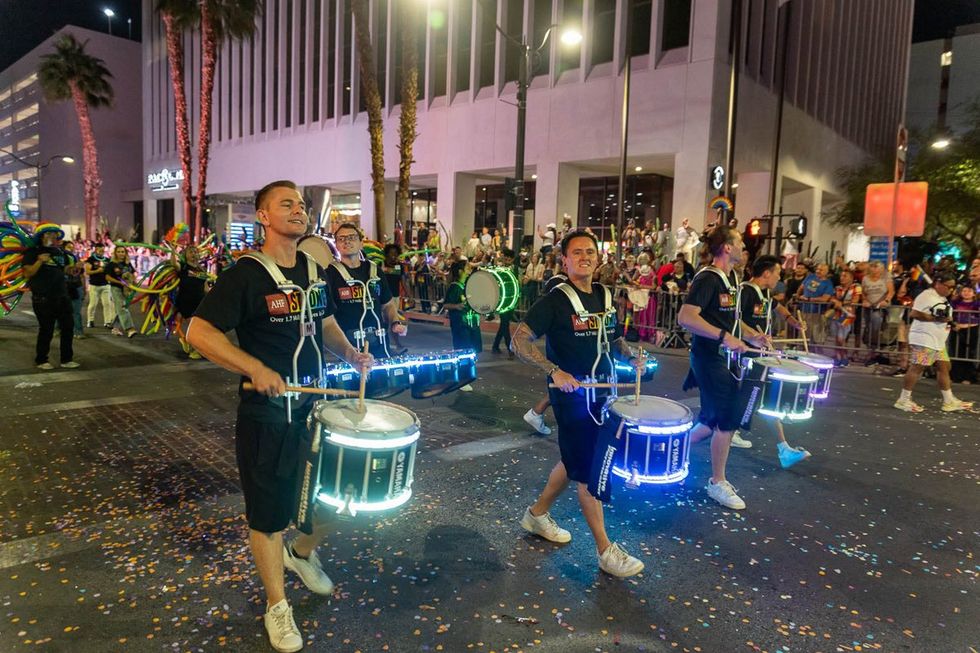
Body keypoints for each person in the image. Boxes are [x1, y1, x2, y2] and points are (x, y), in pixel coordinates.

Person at [187, 180, 374, 653]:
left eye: (301, 204)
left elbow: (326, 322)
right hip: (267, 414)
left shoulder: (315, 268)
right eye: (285, 204)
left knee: (337, 499)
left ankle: (302, 552)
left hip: (317, 410)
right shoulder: (245, 274)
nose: (298, 209)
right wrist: (253, 367)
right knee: (269, 515)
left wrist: (351, 354)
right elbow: (198, 331)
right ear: (263, 217)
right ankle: (277, 606)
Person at [511, 230, 648, 577]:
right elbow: (520, 341)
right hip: (573, 399)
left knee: (573, 459)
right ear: (565, 260)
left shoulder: (604, 294)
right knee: (589, 469)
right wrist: (554, 371)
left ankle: (537, 514)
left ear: (597, 258)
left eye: (590, 251)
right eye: (577, 252)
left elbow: (614, 337)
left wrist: (631, 356)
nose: (584, 257)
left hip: (605, 393)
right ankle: (606, 550)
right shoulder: (554, 300)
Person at [677, 226, 771, 509]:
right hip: (708, 357)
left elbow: (725, 321)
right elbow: (686, 317)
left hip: (720, 358)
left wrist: (749, 334)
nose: (745, 247)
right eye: (740, 242)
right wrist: (724, 337)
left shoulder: (731, 278)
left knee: (709, 419)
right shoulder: (708, 278)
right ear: (728, 248)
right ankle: (717, 482)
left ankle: (671, 451)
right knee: (728, 418)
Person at [738, 255, 810, 468]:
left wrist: (793, 322)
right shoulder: (745, 291)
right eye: (777, 273)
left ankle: (783, 448)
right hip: (746, 352)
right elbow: (735, 319)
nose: (779, 277)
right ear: (767, 273)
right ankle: (781, 448)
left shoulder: (765, 293)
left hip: (761, 353)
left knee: (762, 398)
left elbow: (779, 308)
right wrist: (753, 336)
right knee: (754, 396)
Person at [893, 272, 974, 413]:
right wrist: (934, 318)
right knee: (917, 367)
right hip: (925, 339)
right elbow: (914, 313)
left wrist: (949, 322)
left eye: (953, 287)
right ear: (938, 284)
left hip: (937, 340)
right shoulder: (926, 296)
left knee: (944, 367)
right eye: (949, 286)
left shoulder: (941, 298)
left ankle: (949, 401)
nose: (951, 290)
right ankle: (903, 399)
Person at [325, 223, 407, 359]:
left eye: (352, 237)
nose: (347, 241)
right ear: (336, 245)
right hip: (349, 350)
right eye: (341, 238)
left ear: (361, 243)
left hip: (379, 346)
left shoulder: (374, 271)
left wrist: (394, 322)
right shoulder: (330, 275)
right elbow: (327, 318)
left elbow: (387, 304)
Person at [22, 224, 79, 370]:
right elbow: (28, 273)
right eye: (49, 234)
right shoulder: (33, 252)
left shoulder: (59, 252)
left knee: (68, 328)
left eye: (55, 234)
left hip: (62, 296)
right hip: (43, 298)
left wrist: (73, 269)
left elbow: (64, 269)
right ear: (41, 236)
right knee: (46, 329)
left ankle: (66, 359)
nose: (52, 237)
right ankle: (41, 360)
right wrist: (40, 261)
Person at [442, 260, 480, 392]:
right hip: (460, 325)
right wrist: (457, 306)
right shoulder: (455, 286)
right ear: (460, 271)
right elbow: (446, 304)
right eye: (467, 268)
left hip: (470, 324)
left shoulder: (465, 285)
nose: (470, 269)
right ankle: (462, 379)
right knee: (463, 351)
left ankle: (466, 376)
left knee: (471, 350)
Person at [174, 245, 211, 359]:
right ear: (185, 254)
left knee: (197, 326)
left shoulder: (202, 269)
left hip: (199, 300)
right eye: (191, 252)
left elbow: (205, 286)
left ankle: (190, 343)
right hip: (185, 300)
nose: (194, 254)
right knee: (193, 326)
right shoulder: (183, 267)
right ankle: (195, 348)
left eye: (195, 252)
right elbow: (173, 264)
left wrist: (212, 296)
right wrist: (172, 250)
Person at [796, 263, 834, 351]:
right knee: (802, 334)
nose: (818, 271)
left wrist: (809, 299)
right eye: (817, 269)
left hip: (817, 313)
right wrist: (798, 296)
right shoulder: (810, 277)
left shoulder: (828, 283)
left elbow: (825, 298)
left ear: (827, 272)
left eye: (821, 270)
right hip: (804, 310)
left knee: (815, 337)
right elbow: (801, 288)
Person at [828, 269, 861, 367]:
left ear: (851, 278)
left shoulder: (857, 287)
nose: (842, 278)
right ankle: (838, 357)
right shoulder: (837, 288)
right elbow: (832, 298)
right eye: (841, 276)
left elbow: (855, 300)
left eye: (845, 276)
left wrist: (840, 303)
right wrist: (835, 301)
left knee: (841, 338)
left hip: (848, 315)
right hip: (836, 315)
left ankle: (844, 358)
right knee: (837, 338)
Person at [104, 247, 139, 338]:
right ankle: (130, 329)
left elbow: (134, 273)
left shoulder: (127, 264)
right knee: (122, 308)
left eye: (122, 252)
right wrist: (120, 282)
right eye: (119, 252)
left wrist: (134, 278)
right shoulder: (111, 264)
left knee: (122, 308)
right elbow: (107, 277)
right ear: (115, 253)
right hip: (116, 288)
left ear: (125, 253)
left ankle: (115, 328)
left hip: (127, 289)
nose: (121, 253)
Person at [491, 248, 516, 358]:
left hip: (512, 299)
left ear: (512, 259)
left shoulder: (514, 269)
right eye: (505, 258)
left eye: (509, 258)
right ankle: (509, 349)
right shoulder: (501, 269)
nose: (507, 260)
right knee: (505, 324)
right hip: (503, 301)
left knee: (504, 325)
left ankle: (495, 346)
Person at [84, 242, 114, 328]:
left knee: (107, 303)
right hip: (94, 285)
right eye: (100, 250)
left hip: (106, 285)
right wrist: (97, 271)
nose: (101, 251)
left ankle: (108, 322)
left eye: (103, 250)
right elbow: (87, 272)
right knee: (93, 304)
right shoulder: (90, 260)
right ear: (96, 250)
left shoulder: (107, 260)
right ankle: (90, 320)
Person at [63, 240, 86, 339]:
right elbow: (63, 270)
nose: (71, 249)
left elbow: (81, 275)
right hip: (64, 287)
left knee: (76, 311)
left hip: (77, 287)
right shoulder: (60, 259)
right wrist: (73, 266)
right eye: (69, 247)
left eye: (72, 247)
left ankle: (78, 331)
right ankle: (59, 328)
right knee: (62, 311)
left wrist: (84, 288)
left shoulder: (76, 259)